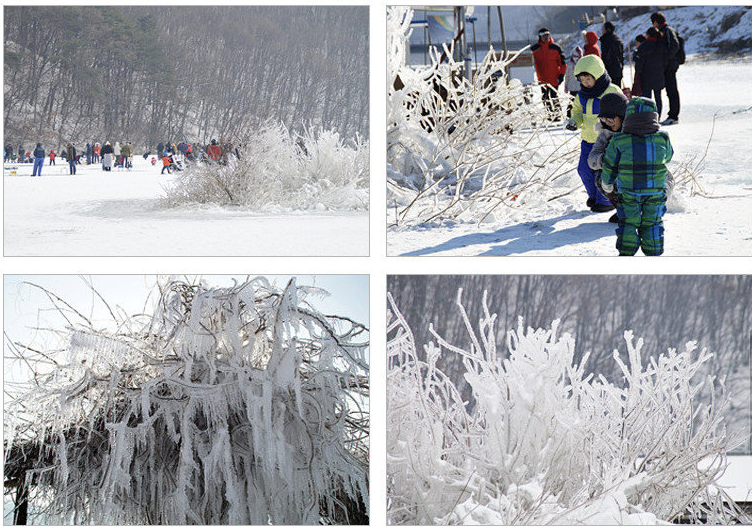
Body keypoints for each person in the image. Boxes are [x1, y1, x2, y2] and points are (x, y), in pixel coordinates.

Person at [600, 97, 673, 256]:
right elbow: (668, 157)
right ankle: (653, 252)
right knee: (652, 222)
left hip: (629, 192)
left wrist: (607, 183)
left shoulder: (619, 140)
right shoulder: (663, 138)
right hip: (655, 191)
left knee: (628, 222)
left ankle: (626, 253)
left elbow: (610, 164)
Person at [565, 54, 621, 212]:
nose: (585, 83)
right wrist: (574, 122)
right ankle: (594, 196)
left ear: (597, 75)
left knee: (604, 171)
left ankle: (606, 201)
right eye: (582, 80)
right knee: (584, 170)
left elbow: (622, 111)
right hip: (587, 140)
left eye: (588, 79)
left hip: (606, 141)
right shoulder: (582, 94)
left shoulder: (612, 90)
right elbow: (577, 110)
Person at [651, 12, 681, 125]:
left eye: (653, 22)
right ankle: (672, 115)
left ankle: (674, 116)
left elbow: (675, 45)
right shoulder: (665, 30)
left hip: (670, 65)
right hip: (669, 65)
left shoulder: (667, 30)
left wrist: (666, 59)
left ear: (656, 22)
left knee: (672, 90)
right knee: (670, 90)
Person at [531, 27, 567, 122]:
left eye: (547, 35)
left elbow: (563, 63)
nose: (546, 38)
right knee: (545, 98)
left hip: (554, 79)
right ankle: (550, 115)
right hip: (542, 79)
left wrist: (561, 75)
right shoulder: (535, 49)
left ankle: (557, 115)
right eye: (544, 36)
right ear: (540, 37)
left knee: (554, 97)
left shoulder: (556, 48)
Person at [634, 28, 668, 119]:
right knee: (658, 98)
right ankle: (658, 116)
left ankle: (648, 117)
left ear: (648, 35)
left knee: (647, 99)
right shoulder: (661, 46)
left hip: (646, 76)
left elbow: (639, 62)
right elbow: (665, 62)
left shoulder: (644, 46)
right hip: (659, 75)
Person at [600, 21, 624, 87]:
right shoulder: (618, 39)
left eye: (603, 28)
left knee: (610, 91)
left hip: (610, 70)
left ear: (607, 29)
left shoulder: (607, 40)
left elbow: (607, 57)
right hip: (618, 69)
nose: (602, 30)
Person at [563, 46, 583, 118]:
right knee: (571, 102)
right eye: (575, 56)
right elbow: (567, 76)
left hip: (580, 87)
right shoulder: (569, 65)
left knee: (581, 102)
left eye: (578, 57)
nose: (576, 58)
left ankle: (581, 115)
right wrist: (566, 85)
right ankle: (569, 115)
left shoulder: (582, 65)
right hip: (572, 87)